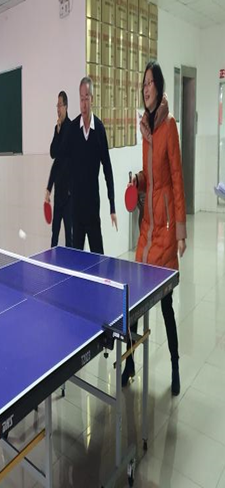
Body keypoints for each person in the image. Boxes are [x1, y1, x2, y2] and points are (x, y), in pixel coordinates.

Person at [122, 60, 187, 396]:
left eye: (151, 83)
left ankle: (175, 365)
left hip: (164, 227)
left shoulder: (169, 125)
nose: (146, 88)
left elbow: (175, 179)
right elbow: (151, 177)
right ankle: (130, 361)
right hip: (147, 228)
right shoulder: (146, 130)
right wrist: (138, 179)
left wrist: (180, 231)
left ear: (159, 87)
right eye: (143, 83)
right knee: (132, 299)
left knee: (165, 303)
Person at [66, 77, 118, 254]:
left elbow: (108, 169)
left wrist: (112, 205)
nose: (84, 103)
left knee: (98, 257)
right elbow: (64, 162)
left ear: (92, 99)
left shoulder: (99, 130)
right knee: (76, 261)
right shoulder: (73, 129)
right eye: (81, 99)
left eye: (87, 98)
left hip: (92, 208)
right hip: (76, 209)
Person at [46, 90, 72, 247]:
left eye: (60, 105)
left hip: (69, 195)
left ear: (66, 107)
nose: (58, 109)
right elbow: (53, 155)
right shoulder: (58, 129)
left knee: (70, 236)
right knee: (54, 233)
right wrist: (48, 188)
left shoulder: (71, 128)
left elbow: (62, 152)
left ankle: (72, 262)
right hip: (58, 193)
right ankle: (52, 261)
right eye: (57, 105)